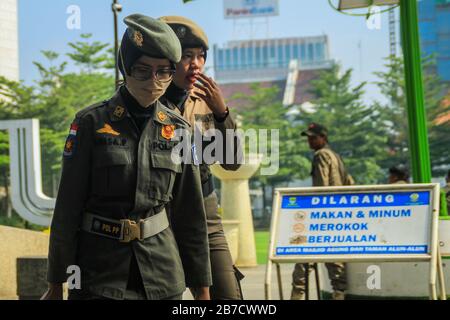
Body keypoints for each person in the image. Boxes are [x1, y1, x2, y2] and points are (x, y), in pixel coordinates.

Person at [41, 14, 211, 300]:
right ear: (125, 68)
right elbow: (67, 208)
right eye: (142, 70)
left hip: (162, 274)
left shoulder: (180, 129)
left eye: (163, 72)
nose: (153, 81)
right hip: (98, 273)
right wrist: (57, 282)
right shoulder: (90, 123)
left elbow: (191, 214)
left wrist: (202, 291)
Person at [158, 16, 244, 300]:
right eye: (186, 56)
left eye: (201, 56)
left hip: (206, 214)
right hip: (161, 216)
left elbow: (232, 162)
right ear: (167, 58)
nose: (195, 64)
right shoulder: (146, 101)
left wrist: (222, 114)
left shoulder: (206, 99)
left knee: (228, 297)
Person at [291, 123, 351, 300]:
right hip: (337, 212)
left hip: (322, 212)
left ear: (323, 138)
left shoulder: (321, 155)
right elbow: (348, 182)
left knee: (304, 258)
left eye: (313, 137)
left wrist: (315, 210)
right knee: (334, 258)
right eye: (308, 137)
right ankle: (339, 294)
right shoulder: (336, 156)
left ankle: (297, 295)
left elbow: (321, 186)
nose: (309, 141)